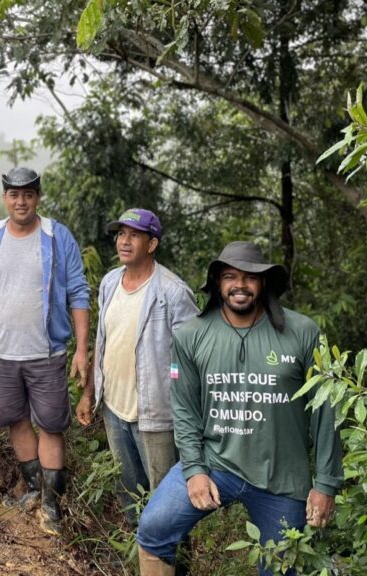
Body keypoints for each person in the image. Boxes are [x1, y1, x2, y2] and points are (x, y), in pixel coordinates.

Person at [136, 241, 344, 576]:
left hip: (282, 478)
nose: (240, 285)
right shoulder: (192, 335)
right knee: (154, 527)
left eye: (250, 277)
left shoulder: (303, 332)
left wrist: (325, 485)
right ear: (218, 283)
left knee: (280, 566)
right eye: (230, 276)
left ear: (263, 283)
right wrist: (194, 471)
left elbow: (325, 412)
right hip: (216, 462)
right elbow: (185, 408)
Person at [0, 166, 90, 536]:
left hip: (46, 351)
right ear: (5, 198)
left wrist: (81, 349)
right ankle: (33, 489)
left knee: (50, 424)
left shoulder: (56, 236)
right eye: (14, 194)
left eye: (28, 194)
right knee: (14, 418)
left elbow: (78, 292)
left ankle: (52, 504)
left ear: (37, 197)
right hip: (0, 351)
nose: (21, 201)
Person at [76, 208, 198, 524]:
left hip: (156, 415)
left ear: (152, 244)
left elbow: (193, 356)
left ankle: (173, 568)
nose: (124, 242)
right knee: (129, 496)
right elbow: (102, 343)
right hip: (114, 410)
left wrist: (174, 388)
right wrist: (89, 393)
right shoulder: (110, 282)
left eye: (134, 235)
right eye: (120, 234)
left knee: (167, 502)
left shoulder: (172, 291)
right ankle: (137, 562)